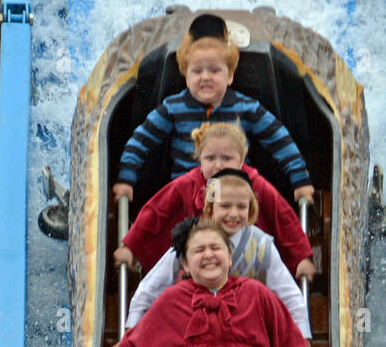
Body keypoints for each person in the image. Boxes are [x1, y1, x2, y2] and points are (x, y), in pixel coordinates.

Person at [112, 12, 315, 207]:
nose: (205, 77)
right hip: (187, 201)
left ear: (230, 75)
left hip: (234, 199)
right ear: (186, 74)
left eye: (214, 70)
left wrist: (300, 180)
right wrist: (126, 179)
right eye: (197, 71)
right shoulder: (173, 108)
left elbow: (280, 141)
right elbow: (140, 141)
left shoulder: (246, 108)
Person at [110, 219, 317, 347]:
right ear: (185, 264)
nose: (208, 254)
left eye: (215, 248)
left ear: (229, 258)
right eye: (199, 250)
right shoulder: (169, 301)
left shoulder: (257, 294)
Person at [114, 120, 315, 280]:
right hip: (199, 269)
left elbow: (284, 217)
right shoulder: (189, 183)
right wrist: (131, 248)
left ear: (241, 159)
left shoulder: (255, 183)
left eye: (226, 158)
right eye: (210, 158)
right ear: (199, 158)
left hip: (245, 270)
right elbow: (156, 212)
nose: (218, 165)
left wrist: (301, 257)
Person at [124, 168, 311, 337]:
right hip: (195, 327)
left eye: (241, 207)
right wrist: (133, 327)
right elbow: (152, 286)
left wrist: (303, 337)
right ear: (210, 207)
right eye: (225, 206)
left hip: (245, 329)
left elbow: (289, 294)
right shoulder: (191, 237)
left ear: (251, 208)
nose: (234, 214)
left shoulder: (261, 244)